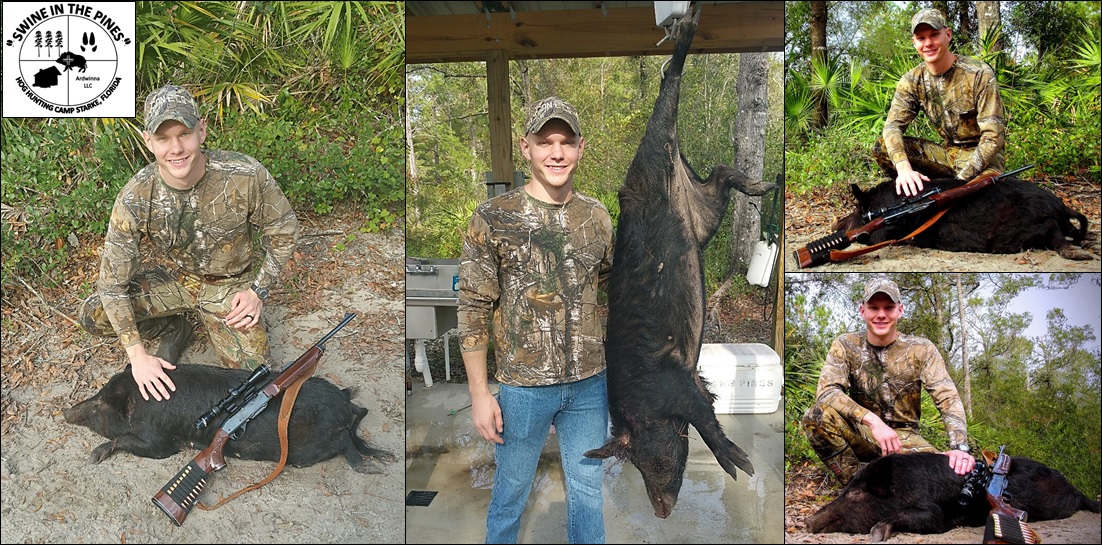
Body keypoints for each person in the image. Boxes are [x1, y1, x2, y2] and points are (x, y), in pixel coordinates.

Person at [78, 84, 300, 403]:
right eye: (163, 138)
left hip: (229, 288)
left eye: (184, 134)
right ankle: (174, 329)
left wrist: (257, 292)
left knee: (252, 384)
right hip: (177, 281)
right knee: (94, 312)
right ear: (148, 141)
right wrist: (137, 356)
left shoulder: (245, 175)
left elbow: (285, 230)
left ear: (202, 131)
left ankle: (222, 325)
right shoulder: (135, 196)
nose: (176, 148)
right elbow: (112, 285)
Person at [457, 96, 614, 544]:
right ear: (526, 148)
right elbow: (472, 307)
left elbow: (611, 288)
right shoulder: (493, 217)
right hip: (522, 389)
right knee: (510, 493)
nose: (556, 153)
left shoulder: (598, 216)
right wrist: (479, 394)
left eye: (566, 142)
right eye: (545, 142)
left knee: (588, 494)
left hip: (589, 385)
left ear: (581, 147)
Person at [801, 277, 975, 485]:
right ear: (862, 311)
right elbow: (827, 391)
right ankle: (858, 486)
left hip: (906, 440)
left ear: (900, 310)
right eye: (874, 308)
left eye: (889, 307)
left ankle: (891, 483)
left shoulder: (922, 349)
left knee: (952, 477)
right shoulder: (846, 344)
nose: (881, 314)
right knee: (815, 417)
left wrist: (960, 447)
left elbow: (947, 397)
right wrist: (872, 421)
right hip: (862, 433)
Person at [873, 7, 1006, 197]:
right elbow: (892, 126)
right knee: (882, 148)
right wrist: (903, 168)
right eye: (921, 38)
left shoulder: (979, 73)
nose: (928, 43)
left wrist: (959, 181)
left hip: (982, 158)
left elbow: (993, 138)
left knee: (979, 198)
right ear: (914, 42)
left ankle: (946, 188)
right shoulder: (912, 80)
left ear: (948, 35)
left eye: (934, 35)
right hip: (947, 154)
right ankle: (912, 187)